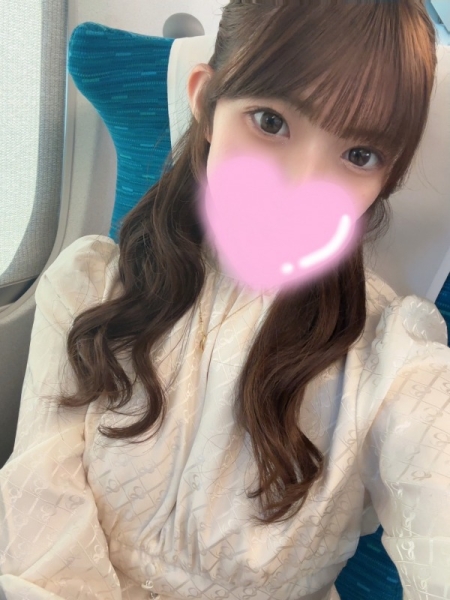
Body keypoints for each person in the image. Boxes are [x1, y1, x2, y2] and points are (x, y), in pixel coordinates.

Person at [1, 1, 449, 599]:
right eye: (270, 121)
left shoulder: (391, 354)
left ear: (385, 181)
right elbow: (40, 515)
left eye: (358, 156)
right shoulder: (87, 286)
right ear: (207, 103)